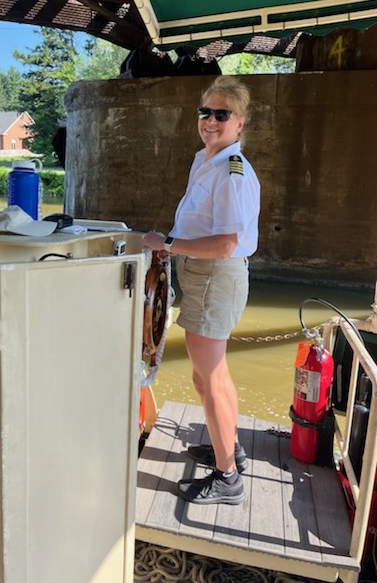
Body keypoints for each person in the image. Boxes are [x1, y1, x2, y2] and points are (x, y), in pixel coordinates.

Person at [142, 75, 260, 505]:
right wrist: (172, 246)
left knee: (209, 378)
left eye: (221, 114)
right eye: (205, 112)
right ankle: (227, 444)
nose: (210, 120)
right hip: (202, 273)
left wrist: (168, 245)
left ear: (240, 123)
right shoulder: (208, 160)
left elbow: (228, 242)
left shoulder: (231, 172)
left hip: (214, 276)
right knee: (212, 374)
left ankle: (228, 477)